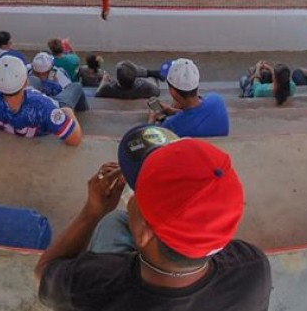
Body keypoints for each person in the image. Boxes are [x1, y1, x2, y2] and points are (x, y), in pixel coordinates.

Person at [36, 126, 271, 310]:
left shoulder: (95, 281)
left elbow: (44, 271)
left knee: (111, 222)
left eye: (137, 195)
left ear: (143, 232)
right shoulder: (252, 268)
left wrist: (92, 212)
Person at [0, 55, 82, 145]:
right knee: (76, 86)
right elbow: (74, 139)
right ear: (25, 83)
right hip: (54, 105)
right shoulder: (44, 107)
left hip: (32, 100)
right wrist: (68, 112)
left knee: (35, 79)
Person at [149, 58, 229, 138]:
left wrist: (151, 119)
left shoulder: (172, 126)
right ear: (196, 85)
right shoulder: (217, 100)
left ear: (173, 91)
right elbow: (197, 115)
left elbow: (151, 138)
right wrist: (174, 111)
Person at [96, 61, 160, 100]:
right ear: (135, 76)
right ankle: (148, 72)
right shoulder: (147, 88)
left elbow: (97, 94)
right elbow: (157, 91)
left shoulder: (107, 89)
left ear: (117, 78)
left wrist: (104, 80)